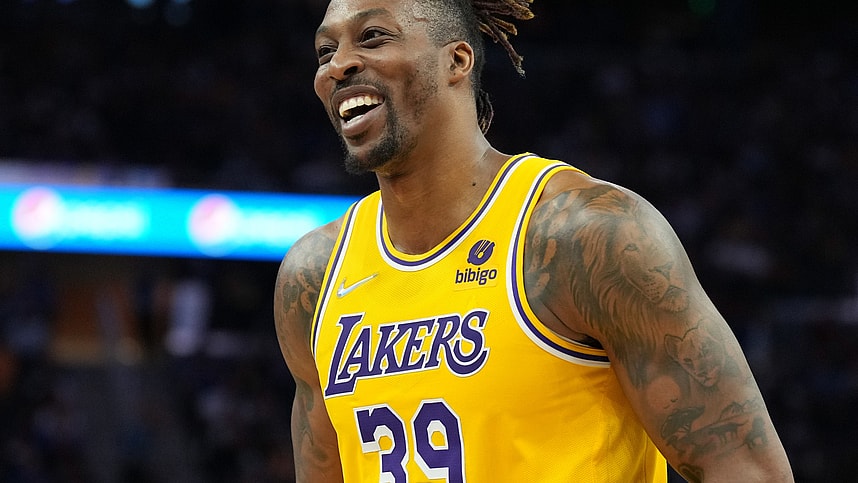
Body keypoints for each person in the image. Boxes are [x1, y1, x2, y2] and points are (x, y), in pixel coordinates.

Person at [273, 0, 795, 481]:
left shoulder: (586, 235)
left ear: (457, 61)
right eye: (325, 49)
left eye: (372, 36)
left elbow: (745, 468)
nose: (336, 65)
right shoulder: (314, 277)